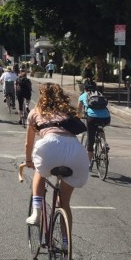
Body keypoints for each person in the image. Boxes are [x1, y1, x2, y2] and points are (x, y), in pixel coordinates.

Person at [24, 83, 89, 233]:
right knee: (64, 203)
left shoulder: (35, 112)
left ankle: (36, 212)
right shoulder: (68, 112)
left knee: (39, 173)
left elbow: (28, 143)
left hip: (50, 146)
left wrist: (29, 161)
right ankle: (66, 243)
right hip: (76, 151)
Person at [77, 79, 111, 169]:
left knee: (90, 140)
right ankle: (104, 145)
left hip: (92, 118)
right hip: (106, 118)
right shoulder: (99, 94)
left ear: (85, 88)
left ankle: (88, 163)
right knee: (100, 128)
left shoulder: (82, 96)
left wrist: (79, 117)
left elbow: (79, 112)